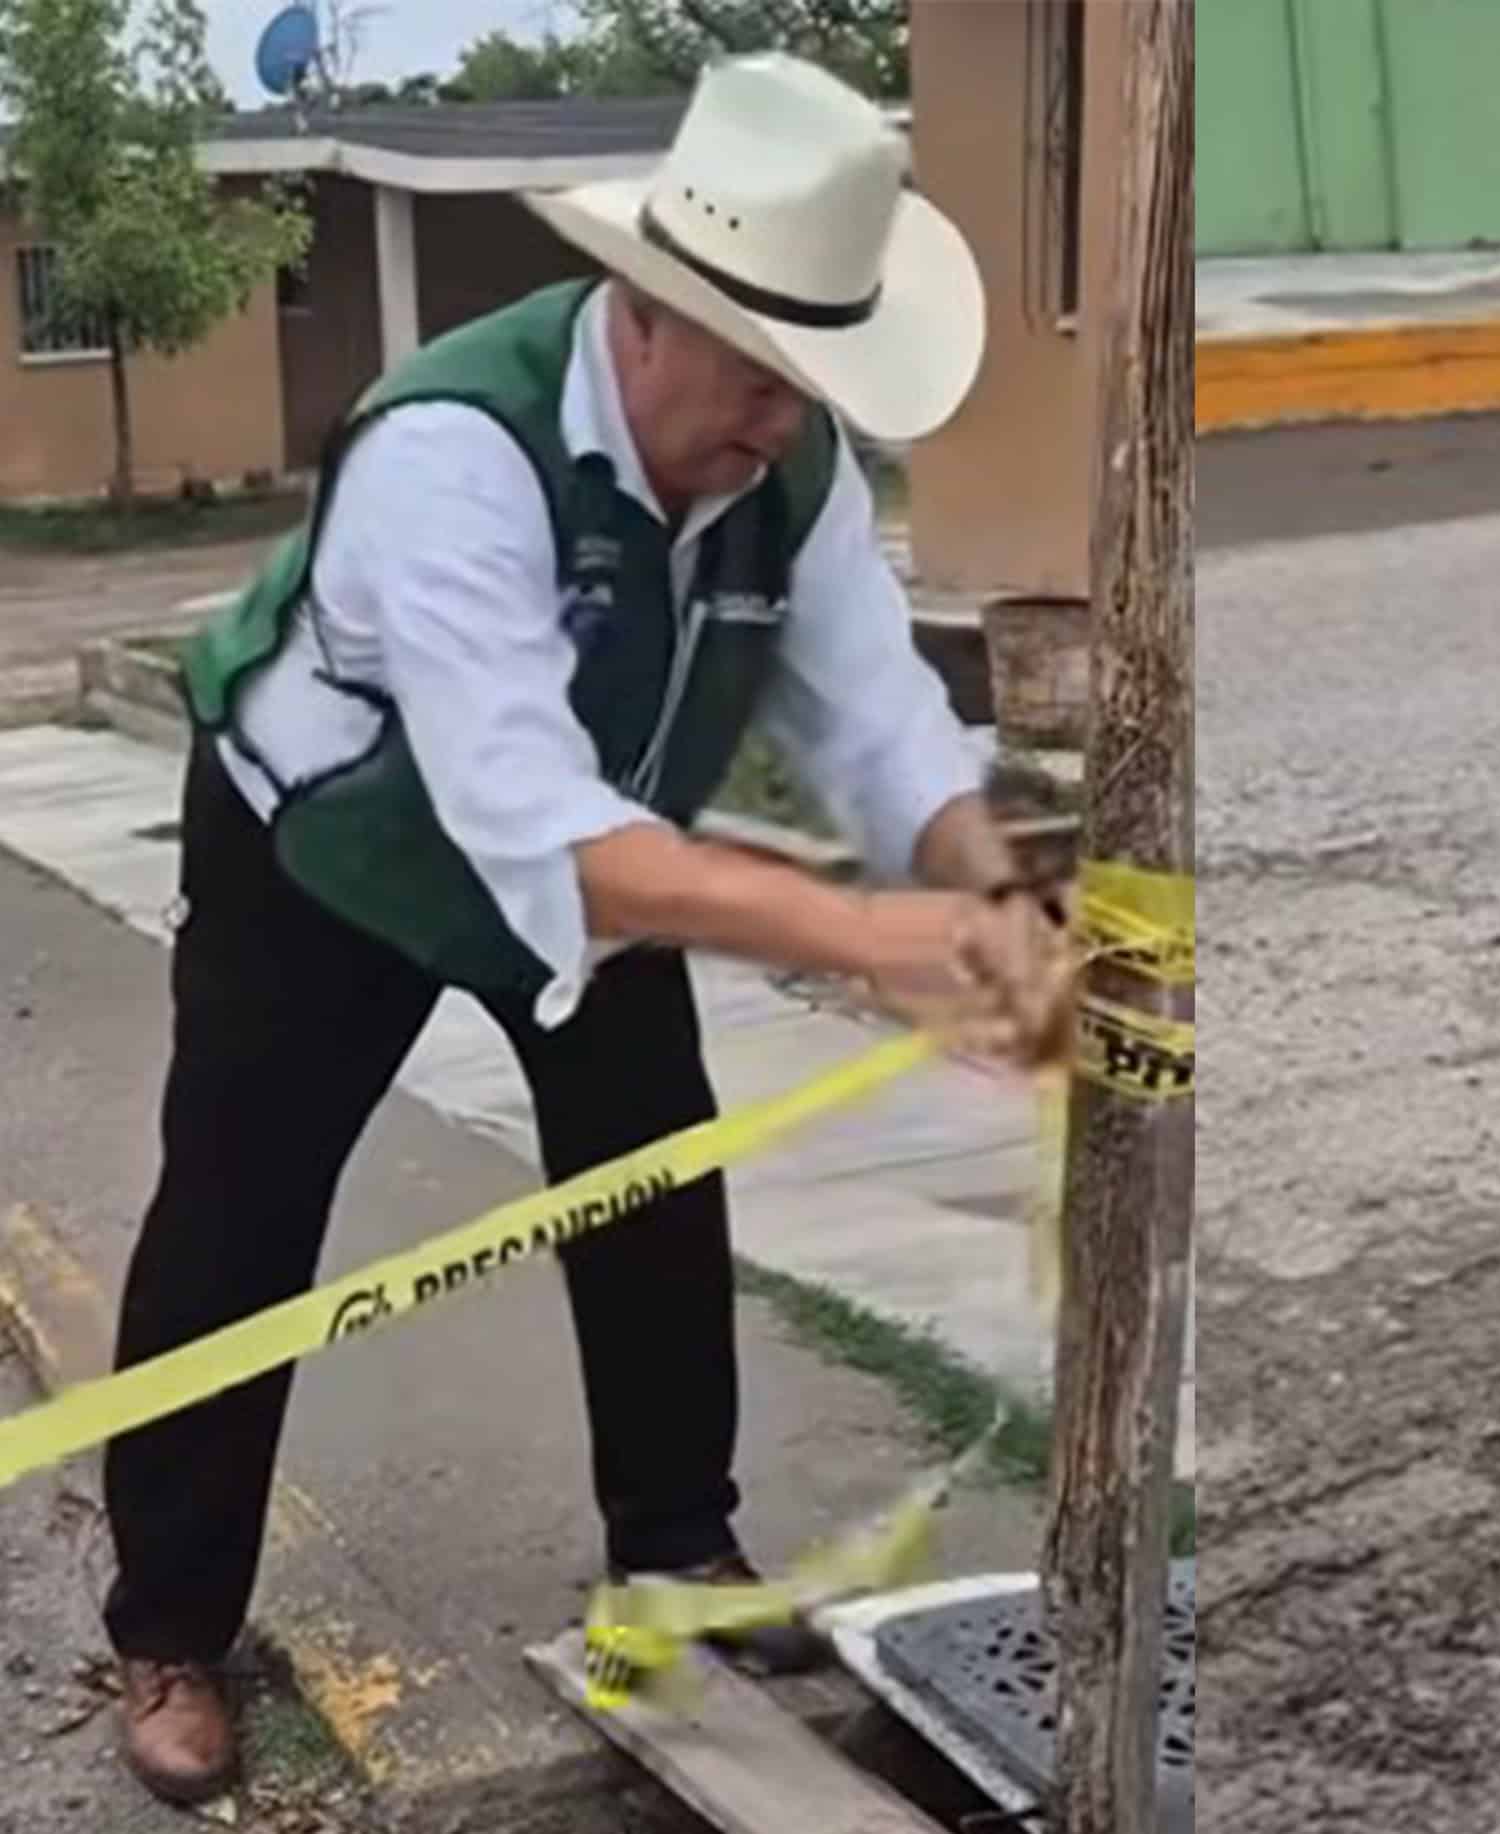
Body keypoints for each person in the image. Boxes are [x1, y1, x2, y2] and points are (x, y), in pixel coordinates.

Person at [101, 52, 1072, 1805]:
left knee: (650, 1170)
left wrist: (988, 886)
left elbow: (879, 726)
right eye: (764, 375)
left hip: (596, 841)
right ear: (645, 311)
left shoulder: (792, 464)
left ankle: (676, 1551)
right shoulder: (450, 456)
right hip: (335, 846)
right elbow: (525, 814)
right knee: (238, 1223)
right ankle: (168, 1619)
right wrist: (870, 941)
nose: (785, 421)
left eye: (811, 381)